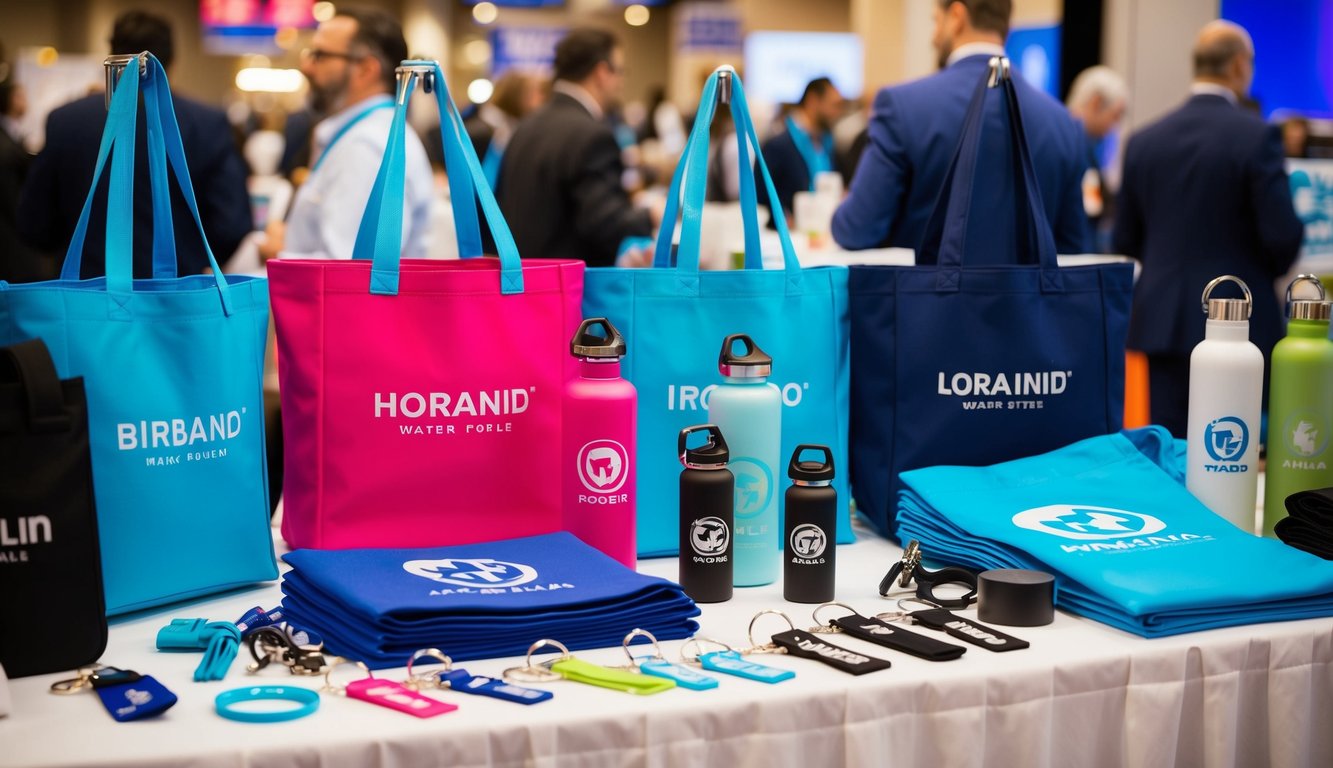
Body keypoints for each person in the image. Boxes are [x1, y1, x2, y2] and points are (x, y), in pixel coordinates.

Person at [1113, 20, 1303, 438]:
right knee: (1232, 450)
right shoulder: (1257, 138)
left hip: (1164, 320)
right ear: (1239, 66)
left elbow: (1123, 238)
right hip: (1240, 323)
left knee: (1170, 450)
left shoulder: (1144, 140)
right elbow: (1282, 238)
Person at [832, 0, 1090, 260]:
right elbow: (1072, 248)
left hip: (926, 298)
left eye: (935, 21)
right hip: (1029, 300)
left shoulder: (903, 106)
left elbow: (857, 229)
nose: (933, 37)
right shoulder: (1063, 123)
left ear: (956, 16)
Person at [17, 11, 251, 277]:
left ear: (111, 55)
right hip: (176, 297)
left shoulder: (66, 121)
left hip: (87, 298)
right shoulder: (208, 124)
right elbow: (232, 224)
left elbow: (34, 225)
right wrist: (190, 258)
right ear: (172, 62)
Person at [263, 6, 431, 262]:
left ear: (365, 69)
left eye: (320, 55)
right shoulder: (367, 135)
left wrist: (277, 253)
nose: (306, 66)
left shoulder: (366, 148)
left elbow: (346, 274)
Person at [496, 28, 655, 268]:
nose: (621, 82)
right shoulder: (592, 136)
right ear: (602, 72)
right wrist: (650, 215)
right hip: (568, 291)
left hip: (522, 285)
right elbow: (603, 224)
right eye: (620, 71)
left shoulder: (525, 126)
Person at [756, 77, 843, 227]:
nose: (837, 112)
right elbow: (761, 195)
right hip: (789, 236)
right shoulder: (778, 143)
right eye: (833, 105)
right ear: (813, 101)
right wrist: (781, 220)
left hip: (823, 231)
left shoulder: (827, 141)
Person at [1065, 66, 1128, 249]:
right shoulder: (1075, 144)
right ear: (1096, 102)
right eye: (1115, 116)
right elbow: (1087, 210)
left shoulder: (1085, 144)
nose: (1115, 126)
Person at [454, 71, 544, 188]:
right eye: (533, 94)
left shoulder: (512, 129)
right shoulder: (483, 132)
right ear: (516, 96)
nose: (539, 100)